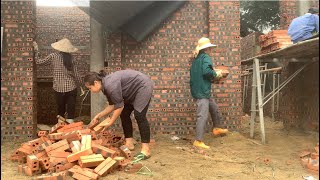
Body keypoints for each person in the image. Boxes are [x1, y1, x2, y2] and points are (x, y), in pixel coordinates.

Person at [84, 69, 154, 159]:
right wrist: (99, 115)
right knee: (124, 114)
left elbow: (119, 106)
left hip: (143, 86)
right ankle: (129, 143)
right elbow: (113, 105)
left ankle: (146, 150)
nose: (91, 91)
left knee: (139, 115)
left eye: (90, 88)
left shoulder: (110, 85)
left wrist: (111, 122)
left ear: (96, 83)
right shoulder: (105, 86)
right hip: (131, 91)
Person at [189, 37, 228, 149]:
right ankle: (198, 140)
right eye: (210, 47)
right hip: (202, 91)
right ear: (207, 48)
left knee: (214, 108)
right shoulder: (205, 57)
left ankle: (217, 128)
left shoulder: (196, 60)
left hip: (199, 90)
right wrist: (216, 73)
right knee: (202, 115)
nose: (210, 49)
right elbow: (206, 72)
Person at [33, 38, 84, 123]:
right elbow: (76, 74)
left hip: (58, 88)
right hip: (71, 87)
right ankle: (69, 132)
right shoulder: (71, 58)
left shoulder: (53, 56)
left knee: (60, 111)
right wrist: (82, 86)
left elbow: (38, 62)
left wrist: (36, 50)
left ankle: (60, 130)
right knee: (71, 112)